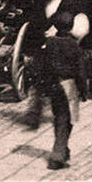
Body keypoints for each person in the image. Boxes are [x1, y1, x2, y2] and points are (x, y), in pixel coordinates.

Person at [33, 10, 86, 170]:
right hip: (68, 86)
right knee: (66, 119)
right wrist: (83, 90)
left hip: (52, 85)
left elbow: (40, 65)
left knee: (59, 117)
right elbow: (81, 71)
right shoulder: (74, 46)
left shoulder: (49, 43)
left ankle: (63, 148)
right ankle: (57, 155)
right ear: (71, 27)